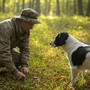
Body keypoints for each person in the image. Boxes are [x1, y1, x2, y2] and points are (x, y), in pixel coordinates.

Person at [0, 8, 41, 80]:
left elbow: (25, 49)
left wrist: (24, 65)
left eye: (33, 24)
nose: (31, 27)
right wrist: (15, 72)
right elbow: (4, 52)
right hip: (2, 50)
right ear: (22, 20)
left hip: (3, 50)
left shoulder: (25, 30)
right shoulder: (6, 27)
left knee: (19, 59)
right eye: (30, 24)